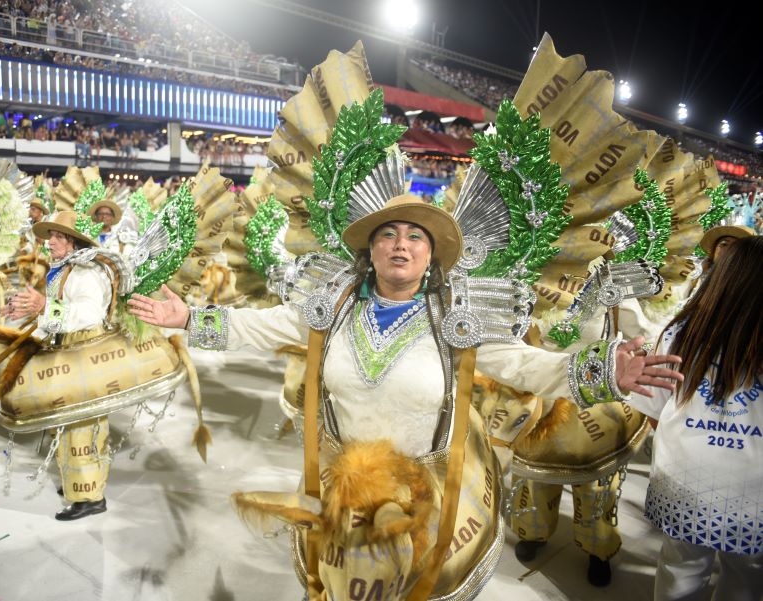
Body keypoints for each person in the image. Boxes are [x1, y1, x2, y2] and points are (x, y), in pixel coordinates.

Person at [127, 194, 683, 461]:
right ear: (370, 250)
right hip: (342, 475)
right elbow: (261, 329)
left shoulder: (455, 317)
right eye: (388, 234)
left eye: (415, 237)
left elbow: (523, 365)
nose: (400, 244)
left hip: (429, 483)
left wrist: (608, 371)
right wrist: (188, 319)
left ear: (431, 255)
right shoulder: (335, 303)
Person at [626, 235, 763, 601]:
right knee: (746, 574)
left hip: (685, 479)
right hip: (755, 487)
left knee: (680, 567)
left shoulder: (680, 331)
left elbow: (654, 412)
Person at [2, 210, 114, 521]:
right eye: (50, 236)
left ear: (73, 242)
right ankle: (76, 484)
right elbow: (53, 315)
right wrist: (28, 326)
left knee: (82, 426)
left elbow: (89, 314)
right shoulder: (65, 271)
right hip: (69, 353)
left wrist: (44, 307)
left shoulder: (86, 273)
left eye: (57, 237)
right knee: (65, 423)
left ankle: (91, 497)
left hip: (86, 357)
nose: (50, 242)